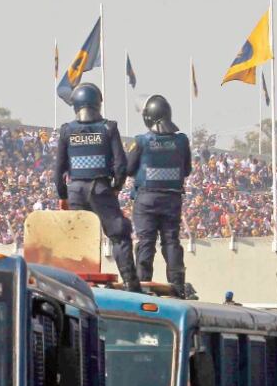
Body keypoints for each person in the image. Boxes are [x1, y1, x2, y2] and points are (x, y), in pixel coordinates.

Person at [54, 83, 140, 291]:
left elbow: (58, 170)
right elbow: (121, 165)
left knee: (78, 239)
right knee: (119, 234)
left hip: (75, 191)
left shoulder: (67, 131)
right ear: (97, 103)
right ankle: (130, 282)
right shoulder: (108, 128)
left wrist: (63, 194)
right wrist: (115, 187)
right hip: (101, 188)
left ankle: (75, 285)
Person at [128, 95, 193, 298]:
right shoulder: (181, 141)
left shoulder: (141, 141)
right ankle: (177, 284)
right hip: (172, 199)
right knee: (171, 241)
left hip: (146, 199)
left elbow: (129, 169)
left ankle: (143, 283)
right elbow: (187, 170)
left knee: (146, 241)